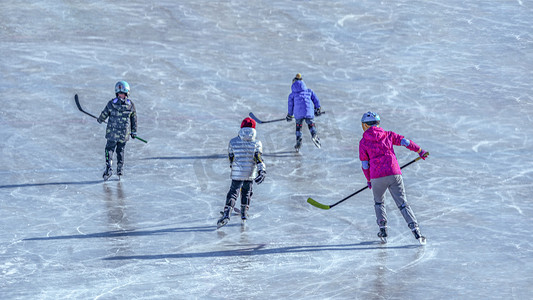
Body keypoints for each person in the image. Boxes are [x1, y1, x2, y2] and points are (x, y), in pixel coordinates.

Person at [358, 111, 429, 243]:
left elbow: (365, 165)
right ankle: (416, 231)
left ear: (365, 125)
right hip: (394, 173)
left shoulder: (363, 142)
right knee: (402, 204)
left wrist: (369, 179)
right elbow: (405, 142)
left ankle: (383, 229)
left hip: (376, 176)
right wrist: (420, 151)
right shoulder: (388, 135)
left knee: (379, 202)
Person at [217, 117, 266, 228]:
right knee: (246, 192)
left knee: (233, 193)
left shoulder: (233, 141)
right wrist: (262, 171)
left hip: (237, 173)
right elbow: (259, 159)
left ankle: (226, 213)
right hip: (250, 173)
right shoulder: (257, 143)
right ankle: (244, 213)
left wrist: (232, 166)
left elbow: (231, 156)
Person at [97, 81, 137, 180]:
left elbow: (105, 113)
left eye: (122, 94)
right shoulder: (130, 105)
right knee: (120, 150)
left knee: (110, 149)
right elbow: (134, 119)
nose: (121, 95)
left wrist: (100, 119)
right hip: (123, 134)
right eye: (120, 94)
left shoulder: (111, 103)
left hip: (112, 133)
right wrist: (133, 131)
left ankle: (109, 167)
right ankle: (119, 168)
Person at [286, 73, 322, 151]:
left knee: (299, 127)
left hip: (298, 114)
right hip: (309, 112)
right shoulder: (309, 91)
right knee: (311, 124)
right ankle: (314, 135)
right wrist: (318, 108)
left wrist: (289, 115)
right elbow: (316, 100)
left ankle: (299, 140)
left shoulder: (292, 95)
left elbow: (290, 106)